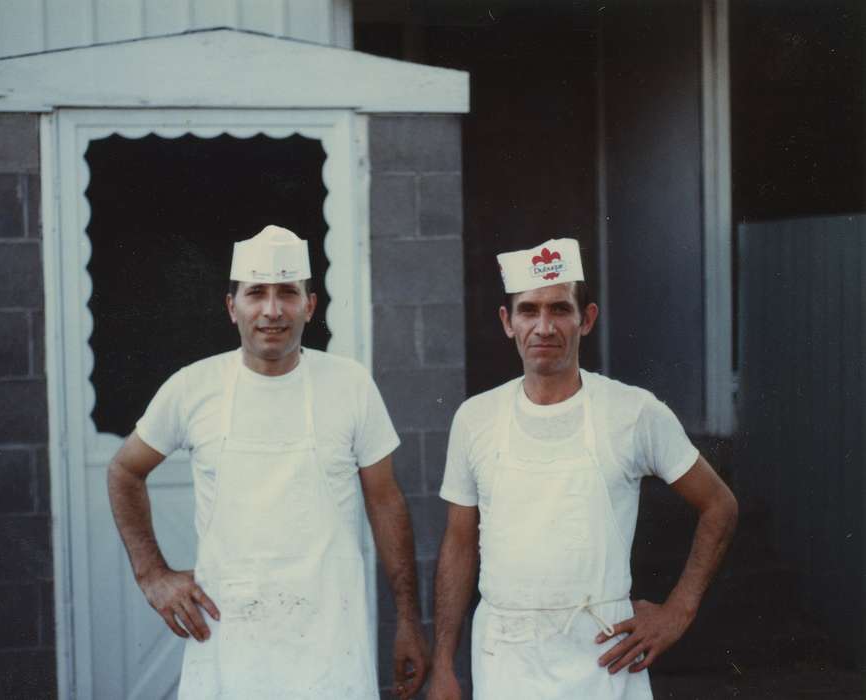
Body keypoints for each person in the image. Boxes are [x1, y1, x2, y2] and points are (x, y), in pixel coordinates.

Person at [107, 225, 429, 699]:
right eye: (256, 293)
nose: (273, 310)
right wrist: (151, 574)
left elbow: (385, 502)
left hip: (329, 644)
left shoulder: (350, 385)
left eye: (288, 294)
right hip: (229, 640)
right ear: (231, 306)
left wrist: (407, 619)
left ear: (311, 306)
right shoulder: (193, 387)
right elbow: (124, 471)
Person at [425, 238, 738, 699]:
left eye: (560, 309)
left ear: (586, 319)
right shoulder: (475, 419)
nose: (544, 326)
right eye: (528, 310)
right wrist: (443, 665)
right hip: (506, 655)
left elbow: (719, 505)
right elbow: (458, 543)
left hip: (602, 653)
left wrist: (678, 611)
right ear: (507, 322)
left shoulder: (632, 412)